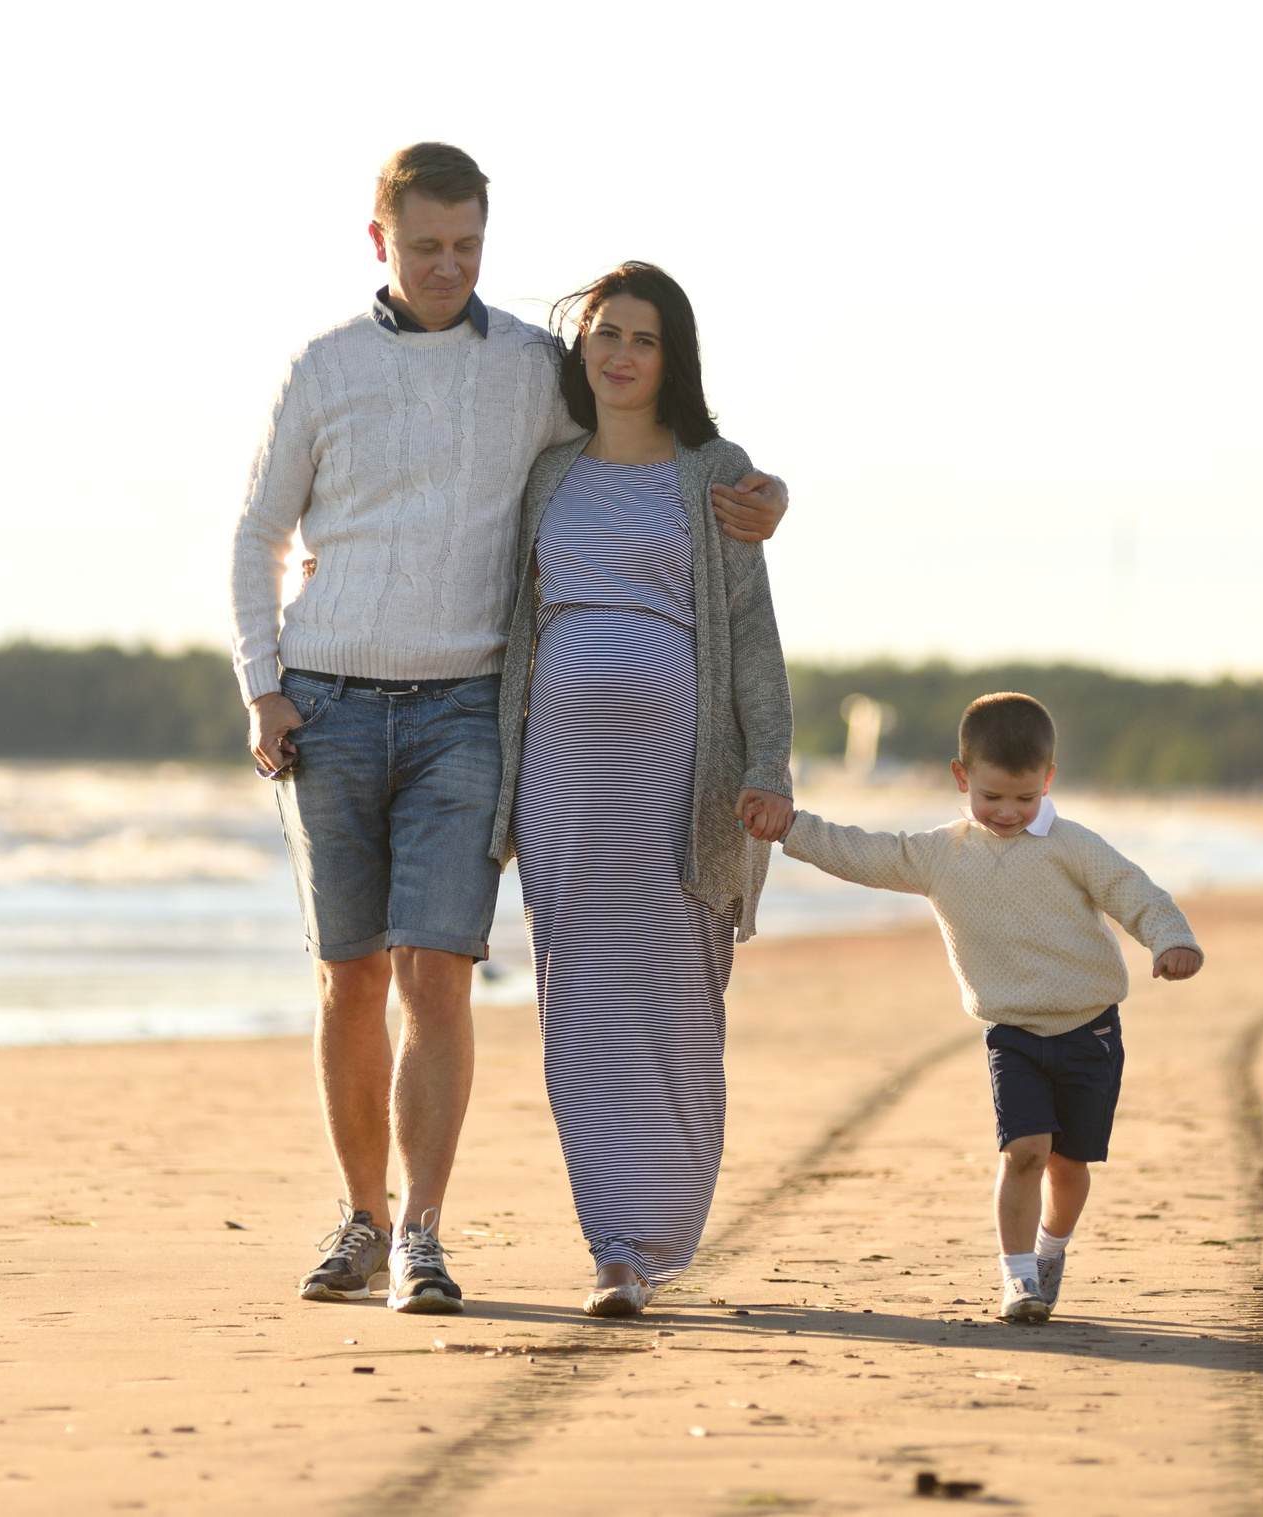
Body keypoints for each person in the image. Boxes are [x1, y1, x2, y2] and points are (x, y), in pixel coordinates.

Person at [229, 145, 788, 1313]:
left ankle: (426, 1233)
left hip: (467, 713)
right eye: (425, 243)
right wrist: (262, 684)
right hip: (335, 705)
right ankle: (364, 1220)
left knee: (439, 970)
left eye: (468, 244)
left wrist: (765, 494)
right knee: (350, 975)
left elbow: (679, 473)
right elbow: (255, 534)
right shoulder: (323, 370)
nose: (447, 265)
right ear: (378, 239)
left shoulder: (535, 366)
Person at [488, 262, 795, 1317]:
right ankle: (613, 1249)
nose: (618, 353)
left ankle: (663, 1231)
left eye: (642, 338)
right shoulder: (547, 473)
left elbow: (751, 633)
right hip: (561, 782)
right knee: (576, 1002)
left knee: (673, 1001)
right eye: (604, 333)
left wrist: (765, 766)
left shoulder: (715, 472)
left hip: (680, 782)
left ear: (675, 358)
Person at [751, 692, 1204, 1322]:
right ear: (962, 778)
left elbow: (1135, 892)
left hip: (1090, 1030)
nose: (1009, 812)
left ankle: (1052, 1249)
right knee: (1025, 1151)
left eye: (1025, 797)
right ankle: (1019, 1281)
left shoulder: (1074, 845)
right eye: (991, 797)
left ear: (1048, 780)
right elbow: (865, 852)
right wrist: (792, 827)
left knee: (1069, 1168)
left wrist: (1172, 938)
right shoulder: (944, 854)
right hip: (1012, 1032)